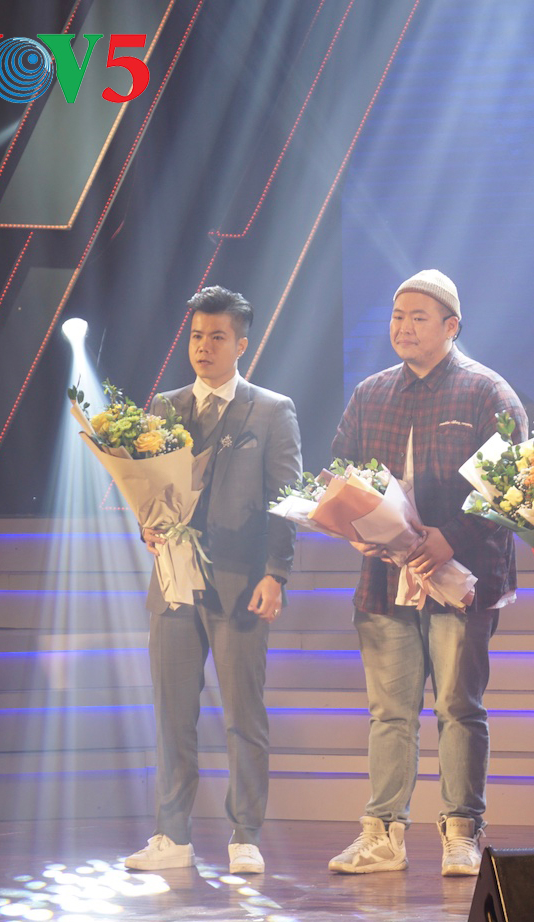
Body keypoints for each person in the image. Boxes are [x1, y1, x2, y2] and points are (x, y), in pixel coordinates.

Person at [326, 269, 526, 877]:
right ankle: (382, 834)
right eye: (397, 316)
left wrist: (452, 536)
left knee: (458, 707)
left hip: (461, 578)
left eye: (418, 317)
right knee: (389, 711)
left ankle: (462, 832)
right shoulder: (371, 394)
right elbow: (340, 473)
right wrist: (352, 526)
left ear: (451, 326)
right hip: (386, 580)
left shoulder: (487, 393)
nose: (404, 327)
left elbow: (515, 488)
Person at [125, 286, 303, 876]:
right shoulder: (164, 407)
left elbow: (285, 502)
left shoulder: (271, 410)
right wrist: (148, 525)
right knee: (172, 713)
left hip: (240, 580)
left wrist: (276, 573)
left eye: (217, 337)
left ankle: (245, 834)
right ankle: (171, 835)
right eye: (197, 336)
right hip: (173, 580)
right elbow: (147, 488)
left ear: (241, 345)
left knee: (242, 715)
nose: (203, 347)